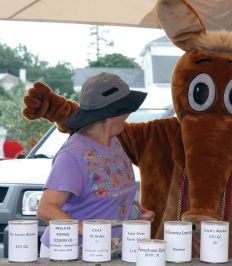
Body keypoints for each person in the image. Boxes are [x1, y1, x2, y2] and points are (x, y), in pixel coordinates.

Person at [36, 72, 155, 257]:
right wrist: (90, 231)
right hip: (70, 254)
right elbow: (46, 209)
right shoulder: (74, 153)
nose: (129, 113)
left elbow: (103, 196)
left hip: (106, 252)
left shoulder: (114, 143)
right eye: (127, 107)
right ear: (114, 112)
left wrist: (134, 213)